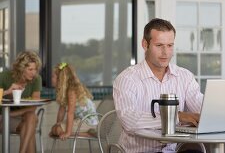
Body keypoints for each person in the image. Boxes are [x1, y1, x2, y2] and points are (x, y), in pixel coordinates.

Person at [113, 18, 204, 153]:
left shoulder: (184, 76)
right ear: (145, 44)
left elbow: (202, 109)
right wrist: (177, 117)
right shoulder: (127, 79)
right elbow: (129, 120)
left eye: (170, 45)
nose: (166, 52)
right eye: (159, 45)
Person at [0, 50, 42, 153]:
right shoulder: (4, 76)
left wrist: (11, 114)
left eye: (35, 69)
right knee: (30, 126)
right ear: (21, 69)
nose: (34, 73)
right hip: (2, 118)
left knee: (31, 117)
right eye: (30, 69)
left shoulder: (36, 79)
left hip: (19, 117)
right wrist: (7, 91)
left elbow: (33, 106)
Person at [49, 62, 98, 140]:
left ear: (60, 79)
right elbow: (61, 110)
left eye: (53, 76)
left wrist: (67, 132)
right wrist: (57, 125)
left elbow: (70, 113)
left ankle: (87, 134)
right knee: (55, 129)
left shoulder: (72, 91)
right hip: (81, 121)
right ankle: (80, 133)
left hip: (88, 123)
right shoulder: (64, 91)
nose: (51, 78)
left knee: (57, 130)